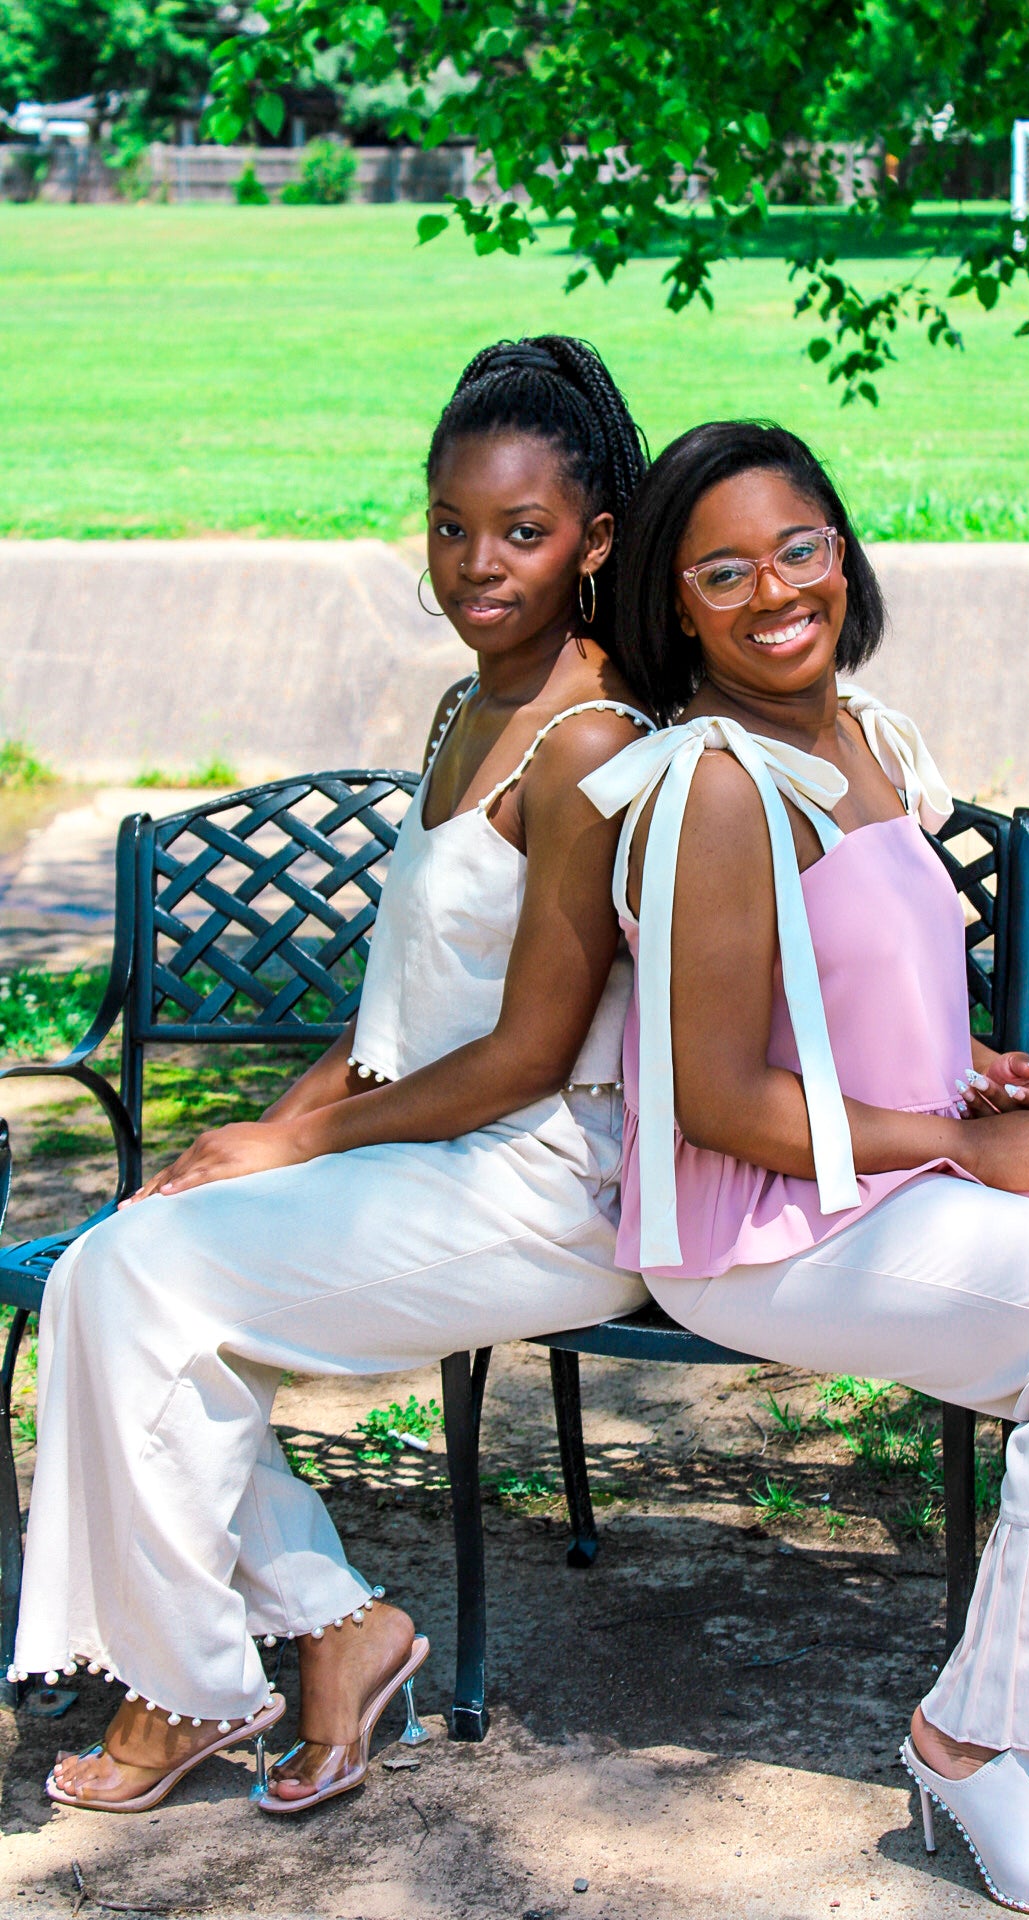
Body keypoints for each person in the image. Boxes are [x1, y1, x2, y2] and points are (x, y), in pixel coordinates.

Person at [581, 419, 1029, 1918]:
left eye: (799, 545)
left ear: (844, 548)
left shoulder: (861, 735)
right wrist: (963, 1142)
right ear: (673, 604)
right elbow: (714, 1100)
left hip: (889, 1174)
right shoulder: (713, 784)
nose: (775, 588)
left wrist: (965, 1079)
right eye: (723, 571)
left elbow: (851, 999)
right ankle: (968, 1745)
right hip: (757, 1231)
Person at [17, 336, 654, 1817]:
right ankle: (331, 1629)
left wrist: (299, 1150)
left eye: (521, 532)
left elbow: (524, 1057)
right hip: (429, 1158)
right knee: (122, 1269)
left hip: (547, 1184)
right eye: (448, 525)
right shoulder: (460, 709)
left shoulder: (590, 742)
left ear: (595, 542)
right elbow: (397, 1016)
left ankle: (196, 1688)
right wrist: (275, 1124)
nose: (475, 563)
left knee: (131, 1283)